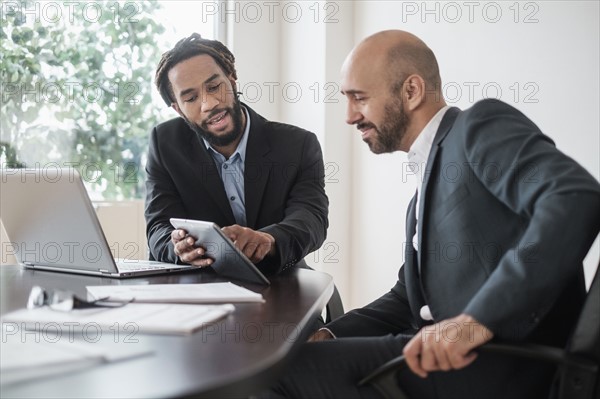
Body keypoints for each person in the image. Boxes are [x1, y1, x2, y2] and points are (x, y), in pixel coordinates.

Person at [258, 30, 600, 398]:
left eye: (359, 98)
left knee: (273, 374)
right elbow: (407, 298)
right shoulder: (425, 185)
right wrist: (330, 334)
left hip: (502, 364)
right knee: (294, 357)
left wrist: (477, 320)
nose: (349, 116)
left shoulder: (477, 127)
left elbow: (575, 196)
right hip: (446, 358)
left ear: (411, 91)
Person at [145, 33, 328, 275]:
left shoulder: (298, 144)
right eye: (191, 98)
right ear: (178, 109)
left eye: (214, 87)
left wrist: (268, 239)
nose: (209, 104)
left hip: (279, 282)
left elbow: (311, 218)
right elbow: (158, 226)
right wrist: (177, 247)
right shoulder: (164, 144)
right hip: (200, 285)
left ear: (232, 80)